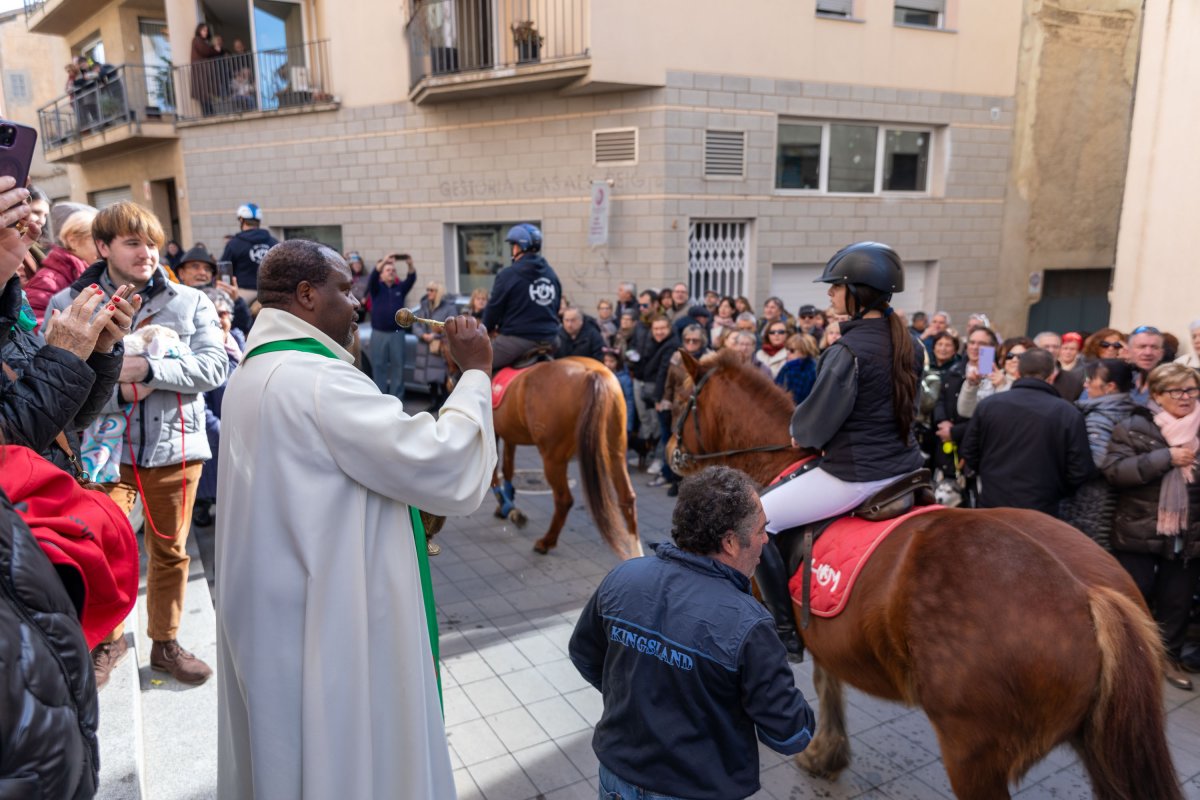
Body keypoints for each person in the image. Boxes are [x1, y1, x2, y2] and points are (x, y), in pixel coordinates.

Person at [215, 239, 496, 798]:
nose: (357, 303)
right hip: (332, 619)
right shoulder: (320, 381)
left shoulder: (255, 367)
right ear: (306, 295)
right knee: (345, 755)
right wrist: (475, 374)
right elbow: (445, 459)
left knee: (289, 754)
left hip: (279, 610)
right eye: (345, 290)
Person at [46, 201, 227, 689]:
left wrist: (149, 369)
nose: (147, 252)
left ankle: (165, 643)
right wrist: (116, 382)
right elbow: (54, 381)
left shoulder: (191, 302)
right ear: (102, 247)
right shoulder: (69, 302)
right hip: (103, 456)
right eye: (132, 242)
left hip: (176, 451)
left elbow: (215, 368)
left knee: (170, 551)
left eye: (151, 241)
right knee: (103, 550)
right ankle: (110, 640)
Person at [569, 466, 815, 800]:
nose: (766, 540)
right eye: (760, 530)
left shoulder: (624, 577)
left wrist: (641, 699)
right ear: (730, 542)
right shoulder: (749, 626)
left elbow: (584, 654)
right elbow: (790, 735)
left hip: (616, 777)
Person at [756, 242, 922, 654]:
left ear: (858, 292)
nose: (828, 294)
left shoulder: (846, 350)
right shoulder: (911, 343)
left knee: (755, 520)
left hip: (856, 475)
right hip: (906, 468)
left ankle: (783, 632)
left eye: (835, 286)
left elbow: (813, 427)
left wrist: (802, 433)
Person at [1102, 363, 1200, 691]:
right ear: (1157, 395)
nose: (1186, 397)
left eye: (1191, 390)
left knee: (1177, 600)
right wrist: (1166, 459)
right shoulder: (1133, 425)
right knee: (1134, 596)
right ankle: (1128, 657)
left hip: (1188, 531)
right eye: (1177, 391)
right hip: (1138, 529)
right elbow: (1115, 471)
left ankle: (1166, 659)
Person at [960, 348, 1095, 515]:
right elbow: (1080, 468)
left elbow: (969, 453)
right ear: (1052, 376)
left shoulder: (989, 406)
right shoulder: (1068, 413)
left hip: (998, 503)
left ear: (1017, 373)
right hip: (1038, 508)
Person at [1059, 358, 1137, 550]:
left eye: (1090, 379)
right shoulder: (1129, 410)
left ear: (1109, 386)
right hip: (1115, 501)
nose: (1085, 384)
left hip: (1092, 501)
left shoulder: (1100, 416)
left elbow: (1097, 461)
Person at [482, 223, 562, 370]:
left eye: (513, 246)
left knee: (477, 364)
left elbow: (494, 309)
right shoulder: (551, 274)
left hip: (517, 341)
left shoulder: (508, 275)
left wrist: (486, 328)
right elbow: (556, 307)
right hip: (551, 340)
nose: (513, 250)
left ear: (518, 247)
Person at [24, 203, 98, 325]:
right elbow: (34, 326)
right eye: (97, 241)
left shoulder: (90, 273)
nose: (103, 248)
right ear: (73, 241)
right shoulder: (48, 280)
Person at [363, 252, 417, 400]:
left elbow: (412, 278)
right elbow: (372, 276)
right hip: (379, 333)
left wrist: (410, 264)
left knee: (398, 367)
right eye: (388, 270)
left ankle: (396, 399)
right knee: (378, 366)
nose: (391, 272)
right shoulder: (376, 287)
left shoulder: (400, 288)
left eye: (393, 270)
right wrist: (384, 260)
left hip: (397, 333)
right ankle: (380, 399)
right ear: (382, 274)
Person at [957, 336, 1032, 418]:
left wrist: (1002, 387)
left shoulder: (1035, 384)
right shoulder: (991, 380)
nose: (1014, 360)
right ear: (1002, 359)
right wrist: (972, 386)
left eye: (1021, 356)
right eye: (1009, 356)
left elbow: (1013, 415)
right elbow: (966, 411)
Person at [219, 203, 278, 306]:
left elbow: (224, 270)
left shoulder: (234, 244)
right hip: (270, 294)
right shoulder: (273, 242)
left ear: (241, 220)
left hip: (243, 293)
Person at [412, 280, 456, 411]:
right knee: (430, 379)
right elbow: (415, 323)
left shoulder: (449, 308)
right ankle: (434, 402)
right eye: (427, 290)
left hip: (439, 348)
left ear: (438, 292)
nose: (428, 293)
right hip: (425, 347)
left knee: (441, 378)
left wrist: (434, 335)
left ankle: (444, 404)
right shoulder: (424, 306)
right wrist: (422, 335)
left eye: (431, 290)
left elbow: (451, 327)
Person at [190, 22, 224, 116]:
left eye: (207, 31)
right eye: (204, 30)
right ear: (199, 30)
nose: (206, 32)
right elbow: (206, 51)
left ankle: (209, 114)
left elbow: (207, 51)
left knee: (205, 96)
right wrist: (216, 50)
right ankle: (209, 115)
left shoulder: (201, 41)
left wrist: (214, 50)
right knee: (204, 96)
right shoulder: (197, 40)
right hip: (201, 73)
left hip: (202, 73)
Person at [1126, 326, 1167, 404]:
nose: (1148, 353)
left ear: (1161, 354)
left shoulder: (1171, 383)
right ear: (1129, 351)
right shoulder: (1120, 380)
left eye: (1154, 347)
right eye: (1142, 347)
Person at [776, 332, 819, 405]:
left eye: (792, 350)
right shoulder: (788, 367)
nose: (788, 353)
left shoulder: (813, 370)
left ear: (804, 351)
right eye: (787, 349)